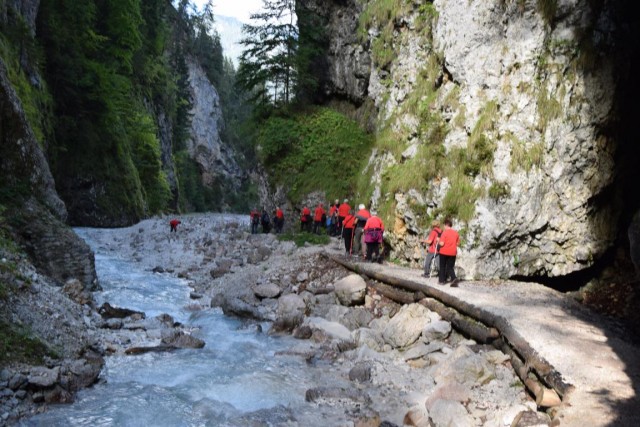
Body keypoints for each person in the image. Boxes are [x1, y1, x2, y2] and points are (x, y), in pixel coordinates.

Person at [438, 218, 460, 286]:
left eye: (444, 225)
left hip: (444, 252)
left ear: (445, 225)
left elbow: (441, 244)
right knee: (450, 267)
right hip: (453, 252)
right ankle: (454, 278)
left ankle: (442, 281)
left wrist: (438, 240)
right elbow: (458, 243)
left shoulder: (444, 233)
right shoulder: (456, 233)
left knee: (442, 266)